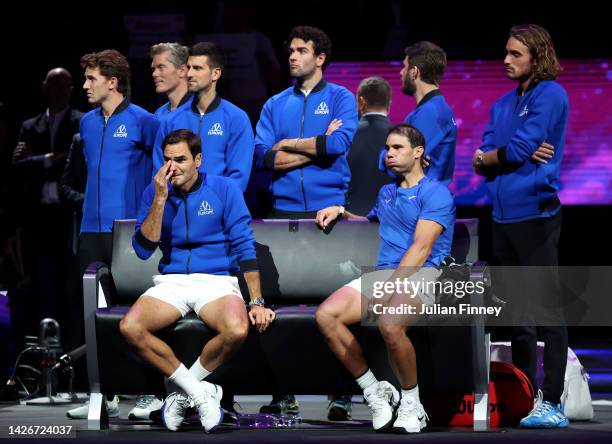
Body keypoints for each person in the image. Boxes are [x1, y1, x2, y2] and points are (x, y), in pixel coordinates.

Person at [120, 129, 275, 432]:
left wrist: (256, 301)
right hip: (173, 281)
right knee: (130, 327)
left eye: (180, 159)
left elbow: (244, 245)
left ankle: (179, 394)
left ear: (198, 160)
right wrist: (161, 199)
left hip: (216, 281)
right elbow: (142, 249)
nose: (172, 167)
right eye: (167, 160)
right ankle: (200, 393)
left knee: (237, 328)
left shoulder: (224, 188)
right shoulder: (154, 192)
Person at [315, 124, 455, 434]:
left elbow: (421, 248)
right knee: (327, 316)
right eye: (388, 148)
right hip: (384, 273)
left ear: (418, 152)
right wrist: (340, 210)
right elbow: (372, 220)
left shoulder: (436, 193)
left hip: (425, 273)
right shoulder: (387, 192)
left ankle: (411, 403)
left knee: (390, 323)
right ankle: (374, 391)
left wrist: (391, 287)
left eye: (397, 148)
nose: (389, 154)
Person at [471, 24, 570, 429]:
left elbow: (520, 148)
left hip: (537, 215)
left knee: (546, 311)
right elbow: (489, 152)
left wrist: (496, 156)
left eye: (516, 54)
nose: (507, 60)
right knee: (520, 316)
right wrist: (496, 157)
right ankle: (529, 398)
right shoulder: (501, 104)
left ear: (537, 56)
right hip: (501, 217)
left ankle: (554, 401)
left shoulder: (551, 94)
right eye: (506, 53)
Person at [66, 49, 159, 419]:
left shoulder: (145, 121)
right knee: (94, 316)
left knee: (138, 314)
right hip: (91, 231)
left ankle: (150, 392)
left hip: (129, 233)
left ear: (112, 82)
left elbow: (160, 178)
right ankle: (103, 394)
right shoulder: (87, 124)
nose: (85, 85)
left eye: (91, 79)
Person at [126, 41, 193, 422]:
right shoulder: (156, 116)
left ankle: (194, 392)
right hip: (164, 222)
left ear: (184, 70)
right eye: (152, 67)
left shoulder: (197, 114)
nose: (154, 73)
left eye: (161, 66)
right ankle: (157, 394)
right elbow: (157, 179)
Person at [254, 25, 358, 219]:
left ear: (320, 58)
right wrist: (320, 145)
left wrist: (286, 144)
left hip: (329, 209)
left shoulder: (340, 97)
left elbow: (337, 144)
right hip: (282, 209)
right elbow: (263, 157)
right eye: (292, 51)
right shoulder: (274, 104)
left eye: (302, 51)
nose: (293, 57)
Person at [11, 68, 83, 336]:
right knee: (43, 283)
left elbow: (74, 166)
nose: (59, 91)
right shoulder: (31, 125)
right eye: (54, 85)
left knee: (69, 284)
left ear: (71, 89)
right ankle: (43, 339)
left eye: (65, 86)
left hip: (68, 215)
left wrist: (38, 159)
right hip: (39, 216)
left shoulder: (80, 122)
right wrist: (49, 159)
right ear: (45, 87)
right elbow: (18, 169)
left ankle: (70, 341)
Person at [153, 42, 254, 192]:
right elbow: (159, 173)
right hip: (177, 209)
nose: (190, 74)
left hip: (217, 209)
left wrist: (214, 205)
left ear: (216, 73)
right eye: (189, 67)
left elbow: (239, 177)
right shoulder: (170, 120)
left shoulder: (236, 118)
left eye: (198, 68)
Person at [380, 41, 457, 186]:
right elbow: (400, 160)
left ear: (414, 72)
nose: (401, 72)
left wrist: (385, 156)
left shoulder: (430, 113)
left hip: (423, 204)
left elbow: (399, 164)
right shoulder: (431, 109)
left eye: (404, 67)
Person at [346, 76, 393, 216]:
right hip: (389, 223)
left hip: (347, 222)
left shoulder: (344, 135)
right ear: (389, 104)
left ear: (361, 102)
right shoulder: (403, 139)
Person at [150, 42, 191, 118]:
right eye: (153, 69)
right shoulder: (158, 114)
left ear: (182, 71)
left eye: (161, 67)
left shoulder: (201, 110)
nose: (154, 74)